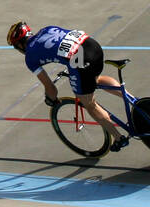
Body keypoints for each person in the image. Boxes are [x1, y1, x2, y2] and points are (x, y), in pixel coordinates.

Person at [7, 21, 129, 151]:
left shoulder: (30, 57)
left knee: (89, 103)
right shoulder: (47, 28)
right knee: (95, 79)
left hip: (81, 60)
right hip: (92, 45)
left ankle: (118, 138)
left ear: (20, 45)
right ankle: (134, 101)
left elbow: (51, 88)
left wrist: (51, 99)